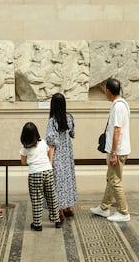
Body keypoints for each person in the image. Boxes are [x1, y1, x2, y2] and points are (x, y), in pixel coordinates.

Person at [90, 78, 131, 222]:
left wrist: (113, 153)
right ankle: (104, 207)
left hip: (117, 151)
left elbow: (117, 131)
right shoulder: (122, 104)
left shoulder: (118, 107)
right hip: (119, 149)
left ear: (108, 90)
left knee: (115, 181)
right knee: (111, 179)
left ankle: (123, 211)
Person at [20, 122, 62, 231]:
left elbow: (23, 162)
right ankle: (57, 220)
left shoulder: (25, 147)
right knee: (51, 196)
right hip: (47, 171)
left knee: (37, 199)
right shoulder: (43, 142)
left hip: (34, 173)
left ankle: (37, 224)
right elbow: (47, 154)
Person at [46, 93, 77, 221]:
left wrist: (49, 161)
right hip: (68, 154)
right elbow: (73, 134)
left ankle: (59, 211)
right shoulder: (69, 118)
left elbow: (52, 143)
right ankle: (68, 207)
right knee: (67, 180)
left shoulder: (52, 121)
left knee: (57, 182)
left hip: (58, 155)